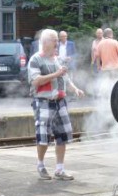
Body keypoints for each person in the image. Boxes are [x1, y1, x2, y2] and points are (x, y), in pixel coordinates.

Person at [28, 28, 84, 180]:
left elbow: (65, 79)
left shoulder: (57, 59)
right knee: (43, 136)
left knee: (62, 136)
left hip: (60, 101)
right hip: (43, 102)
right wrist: (56, 74)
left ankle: (60, 169)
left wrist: (75, 89)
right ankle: (41, 165)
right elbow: (36, 81)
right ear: (45, 42)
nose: (57, 43)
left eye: (57, 41)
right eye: (54, 41)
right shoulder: (35, 59)